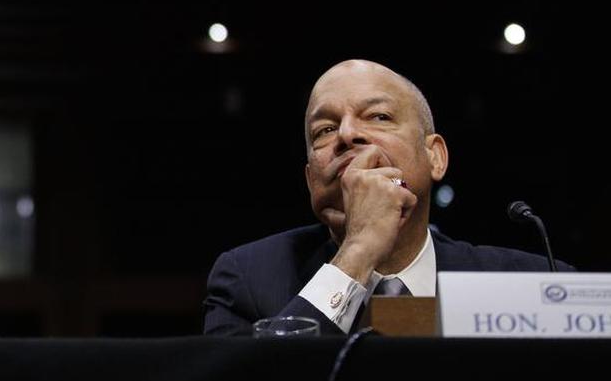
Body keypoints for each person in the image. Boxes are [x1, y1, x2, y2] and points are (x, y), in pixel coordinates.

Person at [203, 59, 572, 336]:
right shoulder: (247, 280)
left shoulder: (534, 282)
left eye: (378, 116)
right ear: (310, 178)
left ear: (435, 157)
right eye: (325, 129)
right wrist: (358, 253)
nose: (347, 134)